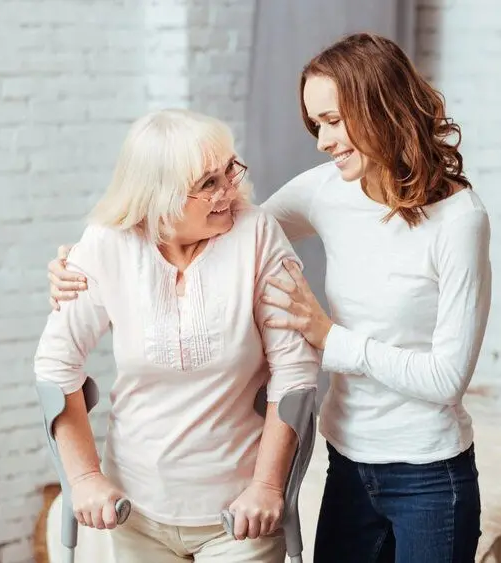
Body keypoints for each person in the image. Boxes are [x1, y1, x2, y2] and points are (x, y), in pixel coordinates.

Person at [46, 32, 491, 563]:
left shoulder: (460, 220)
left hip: (427, 468)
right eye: (315, 124)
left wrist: (329, 338)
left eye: (332, 120)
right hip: (347, 458)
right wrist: (91, 259)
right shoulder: (327, 188)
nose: (322, 141)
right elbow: (235, 228)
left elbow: (446, 379)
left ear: (379, 105)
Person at [35, 108, 319, 563]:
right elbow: (55, 365)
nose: (230, 191)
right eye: (209, 184)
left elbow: (296, 371)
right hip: (135, 509)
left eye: (230, 170)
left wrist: (268, 486)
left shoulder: (256, 233)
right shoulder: (107, 244)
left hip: (239, 515)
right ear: (158, 197)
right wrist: (85, 477)